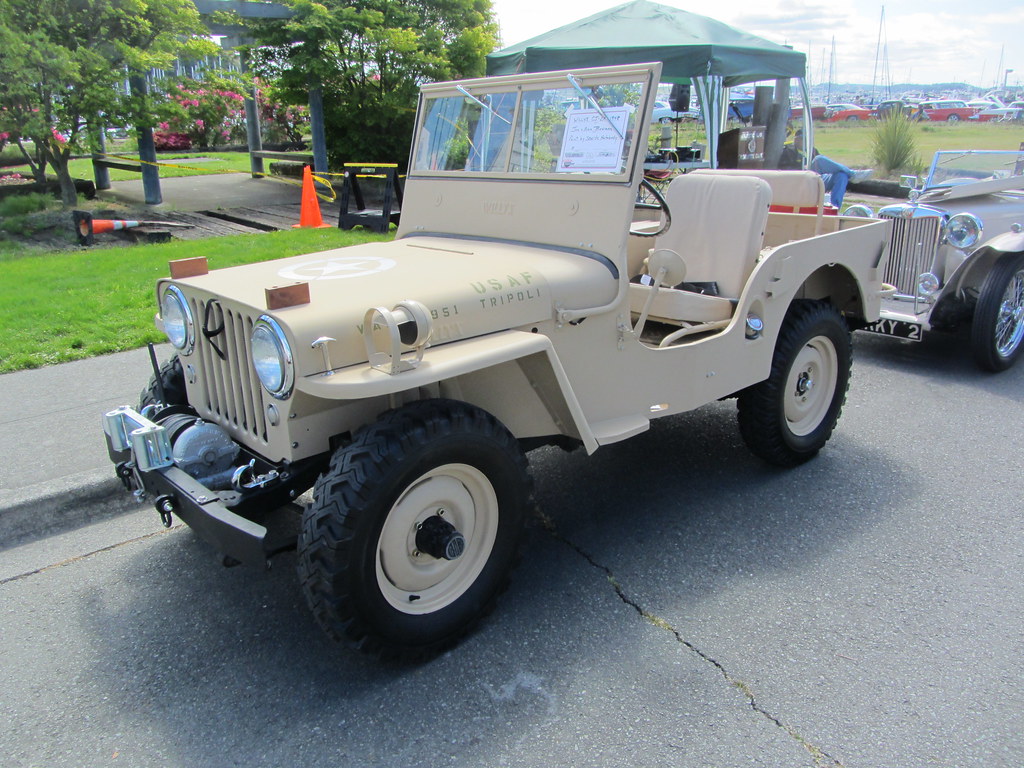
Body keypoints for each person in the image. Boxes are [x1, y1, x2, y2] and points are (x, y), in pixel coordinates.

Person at [779, 129, 871, 208]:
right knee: (819, 160)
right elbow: (785, 169)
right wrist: (803, 168)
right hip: (802, 179)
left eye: (807, 138)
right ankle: (853, 174)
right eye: (803, 138)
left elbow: (824, 167)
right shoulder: (788, 150)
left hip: (817, 178)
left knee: (841, 175)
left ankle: (834, 207)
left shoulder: (812, 150)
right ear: (796, 139)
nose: (806, 141)